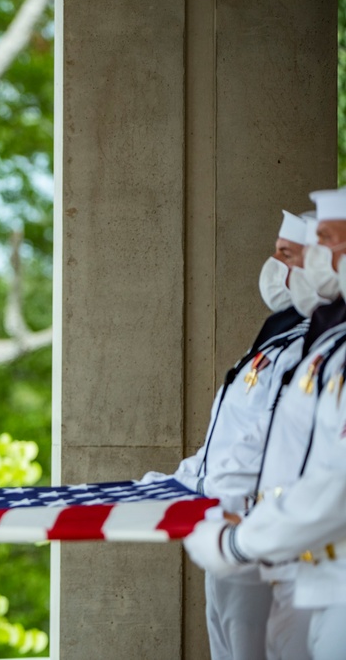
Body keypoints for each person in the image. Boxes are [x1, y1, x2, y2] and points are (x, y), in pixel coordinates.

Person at [141, 210, 311, 660]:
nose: (274, 265)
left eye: (286, 254)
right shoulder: (279, 332)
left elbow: (269, 446)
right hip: (223, 529)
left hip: (267, 539)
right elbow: (227, 438)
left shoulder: (322, 345)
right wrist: (172, 483)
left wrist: (197, 493)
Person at [186, 187, 346, 660]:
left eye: (329, 243)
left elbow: (334, 483)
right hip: (296, 559)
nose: (318, 258)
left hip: (294, 556)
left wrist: (239, 541)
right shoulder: (319, 342)